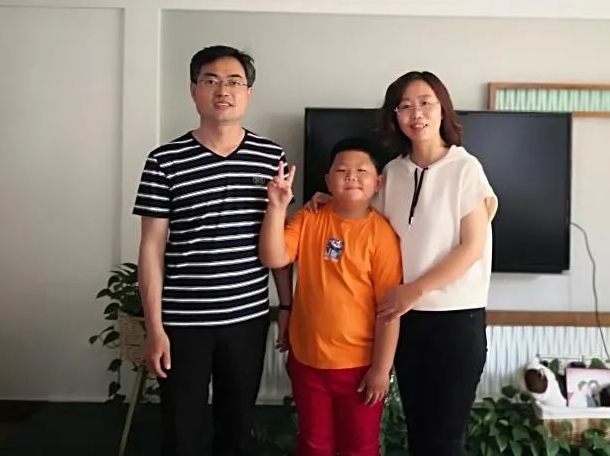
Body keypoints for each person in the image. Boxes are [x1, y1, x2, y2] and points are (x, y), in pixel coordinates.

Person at [309, 71, 498, 456]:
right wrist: (333, 199)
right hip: (405, 321)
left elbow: (472, 247)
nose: (417, 113)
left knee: (445, 440)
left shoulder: (466, 169)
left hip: (455, 321)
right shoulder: (392, 172)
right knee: (419, 435)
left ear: (443, 109)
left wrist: (415, 289)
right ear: (394, 116)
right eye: (405, 106)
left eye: (426, 103)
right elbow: (366, 219)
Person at [134, 45, 293, 456]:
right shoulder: (164, 161)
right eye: (211, 80)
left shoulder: (270, 157)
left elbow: (278, 239)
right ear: (194, 90)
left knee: (236, 429)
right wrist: (155, 328)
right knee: (181, 431)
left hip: (247, 319)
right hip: (182, 322)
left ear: (248, 93)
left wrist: (287, 305)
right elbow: (151, 248)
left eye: (234, 81)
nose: (223, 90)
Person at [259, 137, 403, 456]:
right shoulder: (309, 218)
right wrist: (277, 207)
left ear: (378, 183)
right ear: (327, 180)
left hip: (359, 367)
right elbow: (273, 257)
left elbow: (389, 310)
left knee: (360, 447)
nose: (351, 176)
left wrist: (381, 369)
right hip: (307, 362)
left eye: (362, 170)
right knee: (313, 445)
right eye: (341, 170)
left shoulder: (382, 235)